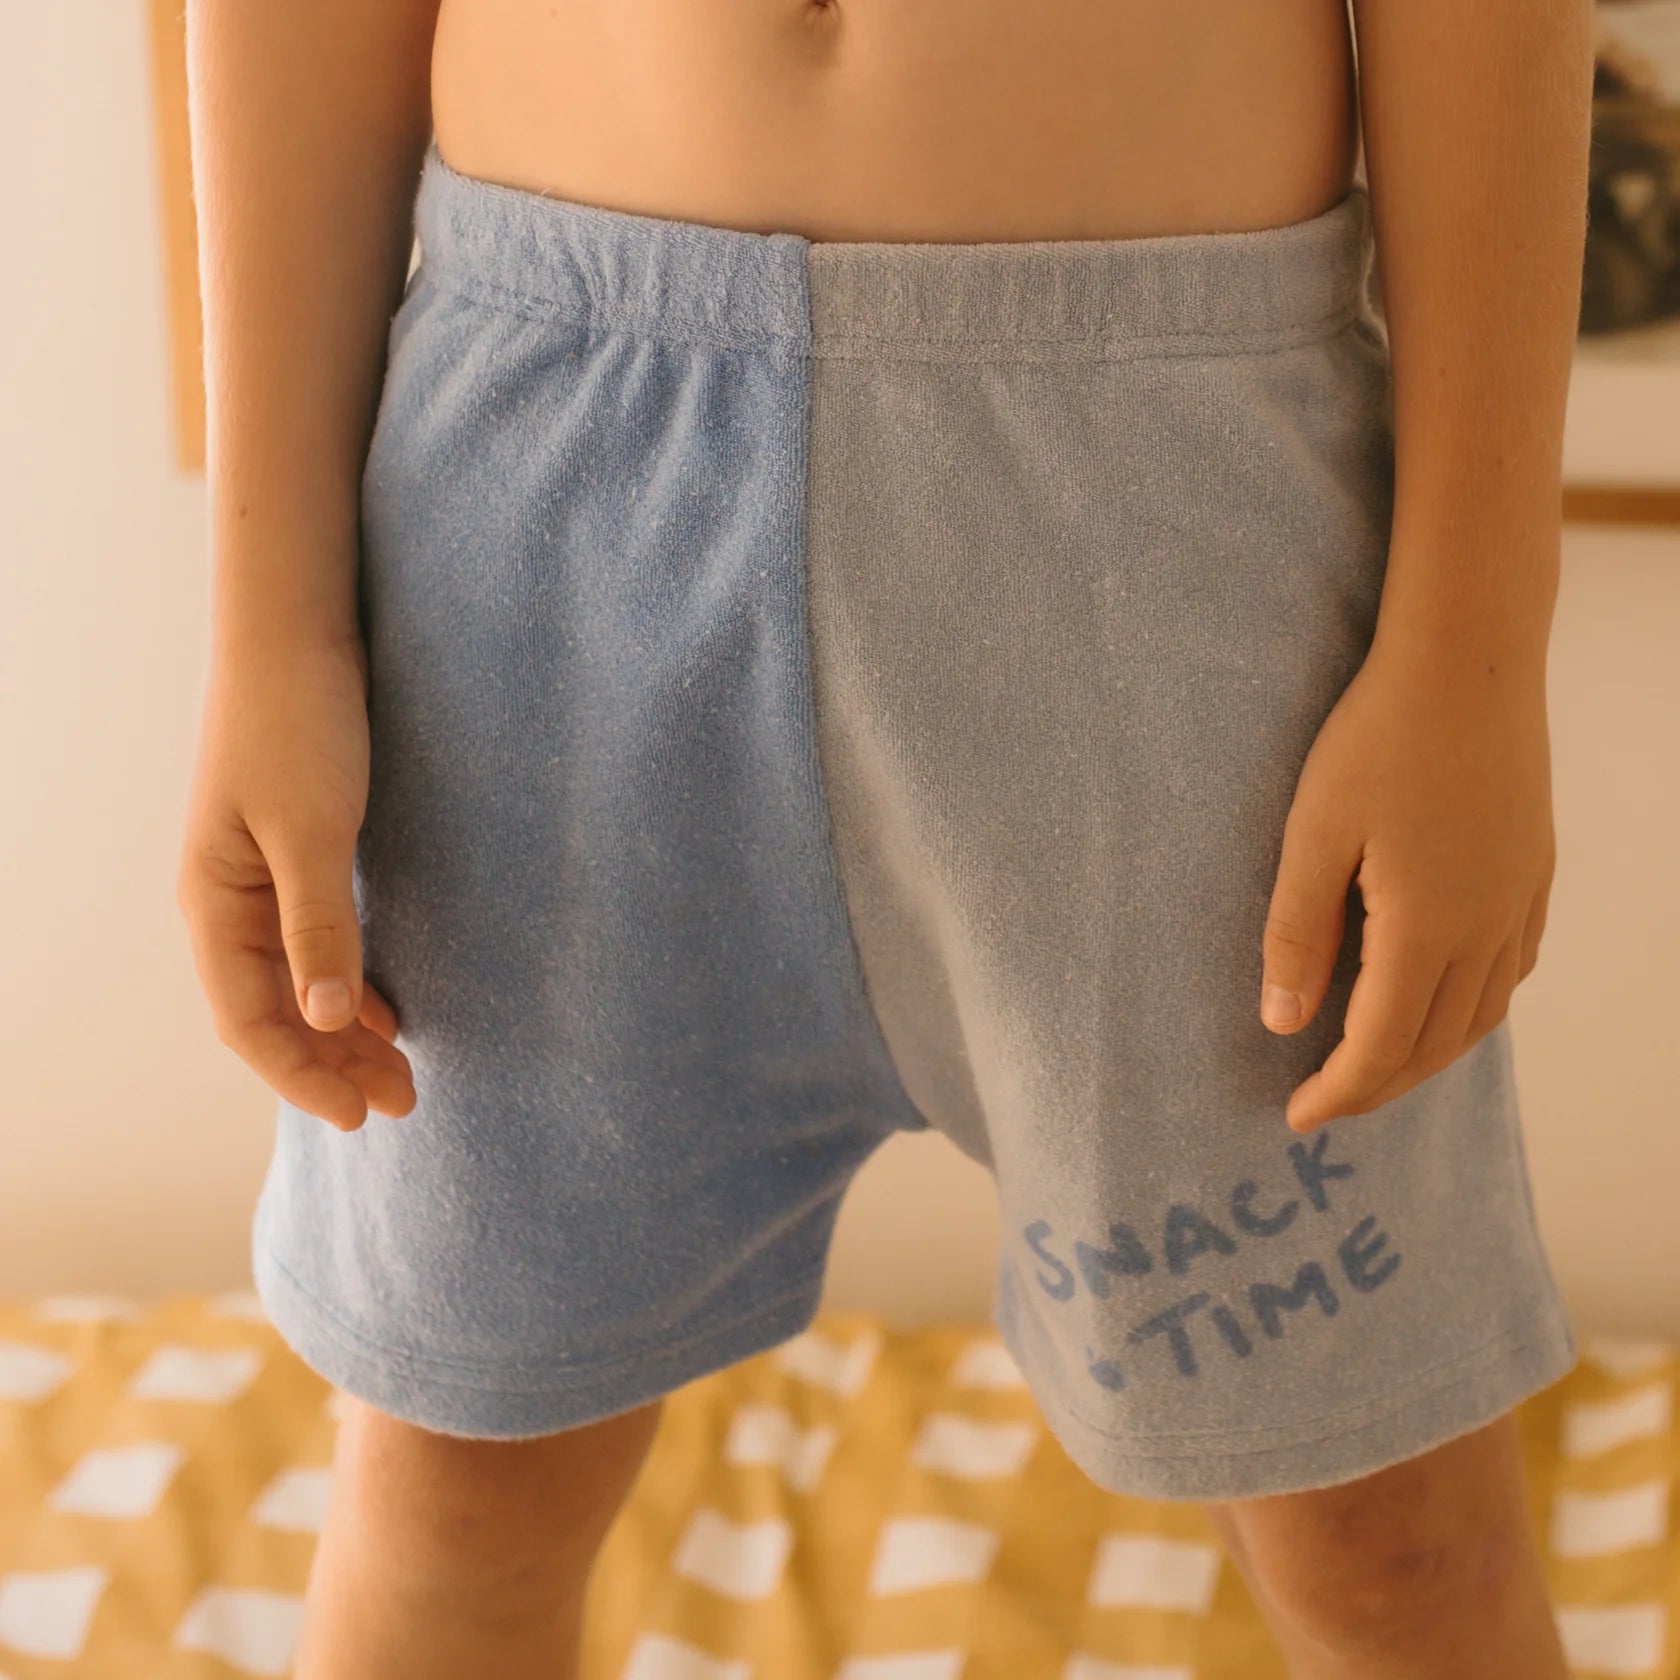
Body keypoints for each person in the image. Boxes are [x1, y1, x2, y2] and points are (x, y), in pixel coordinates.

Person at [174, 2, 1593, 1675]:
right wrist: (273, 635)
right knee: (446, 1503)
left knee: (1392, 1550)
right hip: (542, 556)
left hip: (1182, 569)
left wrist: (1476, 650)